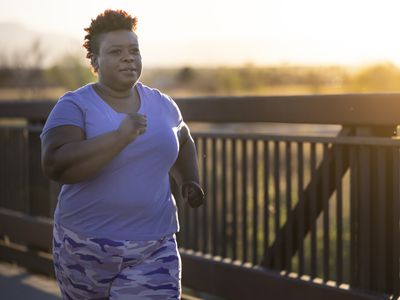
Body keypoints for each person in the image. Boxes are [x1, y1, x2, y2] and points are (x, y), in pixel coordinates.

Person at [40, 9, 204, 300]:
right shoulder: (74, 106)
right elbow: (54, 163)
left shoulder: (162, 104)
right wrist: (118, 138)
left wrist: (189, 179)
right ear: (95, 61)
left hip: (155, 243)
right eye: (116, 51)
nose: (128, 57)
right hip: (85, 244)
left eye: (134, 50)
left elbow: (183, 138)